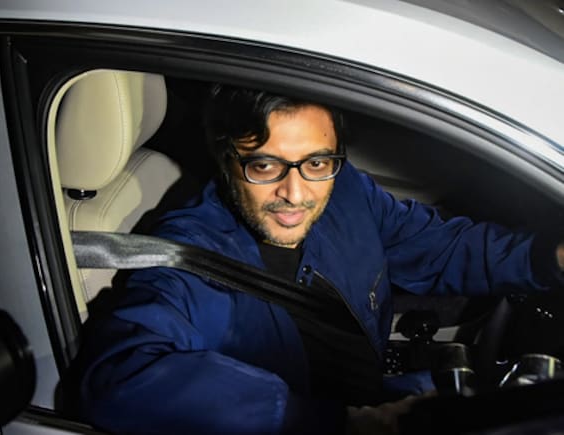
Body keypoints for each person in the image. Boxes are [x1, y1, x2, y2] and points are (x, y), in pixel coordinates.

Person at [66, 84, 564, 435]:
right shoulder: (191, 257)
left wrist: (548, 258)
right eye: (265, 165)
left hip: (376, 392)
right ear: (226, 159)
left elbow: (441, 247)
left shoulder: (347, 192)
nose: (296, 193)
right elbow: (119, 378)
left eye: (317, 162)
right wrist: (338, 423)